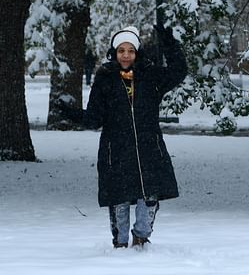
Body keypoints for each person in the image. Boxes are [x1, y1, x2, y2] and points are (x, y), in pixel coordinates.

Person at [62, 24, 187, 249]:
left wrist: (170, 44)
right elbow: (94, 118)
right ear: (114, 52)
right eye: (121, 50)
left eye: (130, 50)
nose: (126, 55)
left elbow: (179, 71)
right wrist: (71, 113)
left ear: (137, 52)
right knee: (119, 200)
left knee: (148, 197)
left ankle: (141, 239)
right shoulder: (105, 77)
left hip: (149, 148)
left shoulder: (151, 76)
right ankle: (120, 245)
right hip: (116, 149)